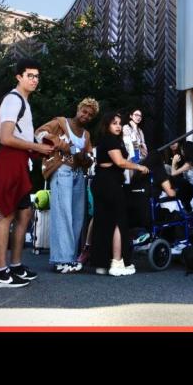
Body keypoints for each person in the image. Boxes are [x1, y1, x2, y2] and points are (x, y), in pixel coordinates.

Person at [0, 58, 55, 289]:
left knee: (24, 213)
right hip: (10, 161)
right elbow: (6, 138)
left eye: (36, 76)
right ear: (19, 77)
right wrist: (38, 147)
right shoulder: (13, 100)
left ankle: (15, 266)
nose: (34, 80)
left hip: (20, 161)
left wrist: (38, 145)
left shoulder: (23, 101)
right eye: (29, 76)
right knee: (5, 213)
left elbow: (21, 135)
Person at [35, 98, 99, 274]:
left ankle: (69, 258)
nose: (86, 116)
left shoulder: (86, 135)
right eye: (84, 111)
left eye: (90, 115)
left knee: (77, 217)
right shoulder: (61, 122)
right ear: (78, 109)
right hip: (61, 170)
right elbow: (39, 133)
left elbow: (90, 157)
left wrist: (85, 158)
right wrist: (63, 144)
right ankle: (61, 260)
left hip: (78, 174)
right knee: (63, 214)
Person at [91, 111, 149, 277]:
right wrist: (139, 167)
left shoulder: (105, 140)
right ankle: (117, 262)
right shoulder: (110, 140)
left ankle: (102, 263)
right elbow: (120, 162)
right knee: (118, 221)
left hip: (102, 182)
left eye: (119, 123)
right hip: (110, 183)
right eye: (114, 123)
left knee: (103, 221)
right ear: (107, 125)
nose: (118, 126)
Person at [169, 141, 193, 205]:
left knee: (177, 180)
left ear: (186, 151)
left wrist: (173, 161)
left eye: (182, 149)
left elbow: (173, 174)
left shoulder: (189, 164)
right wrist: (176, 163)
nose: (181, 151)